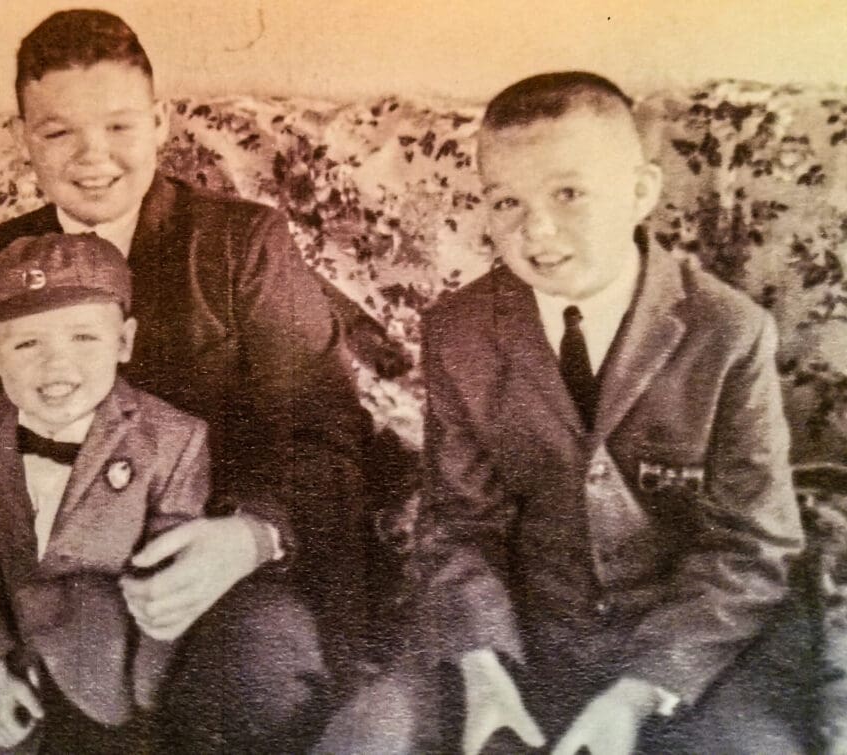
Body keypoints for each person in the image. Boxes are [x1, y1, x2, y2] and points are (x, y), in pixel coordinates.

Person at [0, 10, 375, 752]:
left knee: (261, 663)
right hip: (37, 566)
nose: (94, 157)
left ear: (159, 122)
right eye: (59, 132)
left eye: (119, 126)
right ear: (25, 137)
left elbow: (331, 435)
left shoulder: (240, 243)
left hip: (191, 563)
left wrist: (251, 536)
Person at [316, 71, 807, 754]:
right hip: (516, 641)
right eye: (506, 202)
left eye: (569, 194)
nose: (536, 230)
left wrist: (638, 693)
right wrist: (484, 667)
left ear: (641, 192)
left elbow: (751, 546)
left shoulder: (728, 331)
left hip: (687, 652)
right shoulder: (459, 331)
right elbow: (458, 524)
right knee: (369, 737)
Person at [0, 232, 211, 752]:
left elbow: (175, 584)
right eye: (27, 344)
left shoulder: (174, 441)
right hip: (19, 674)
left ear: (124, 342)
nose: (57, 365)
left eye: (83, 337)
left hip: (120, 684)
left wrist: (151, 710)